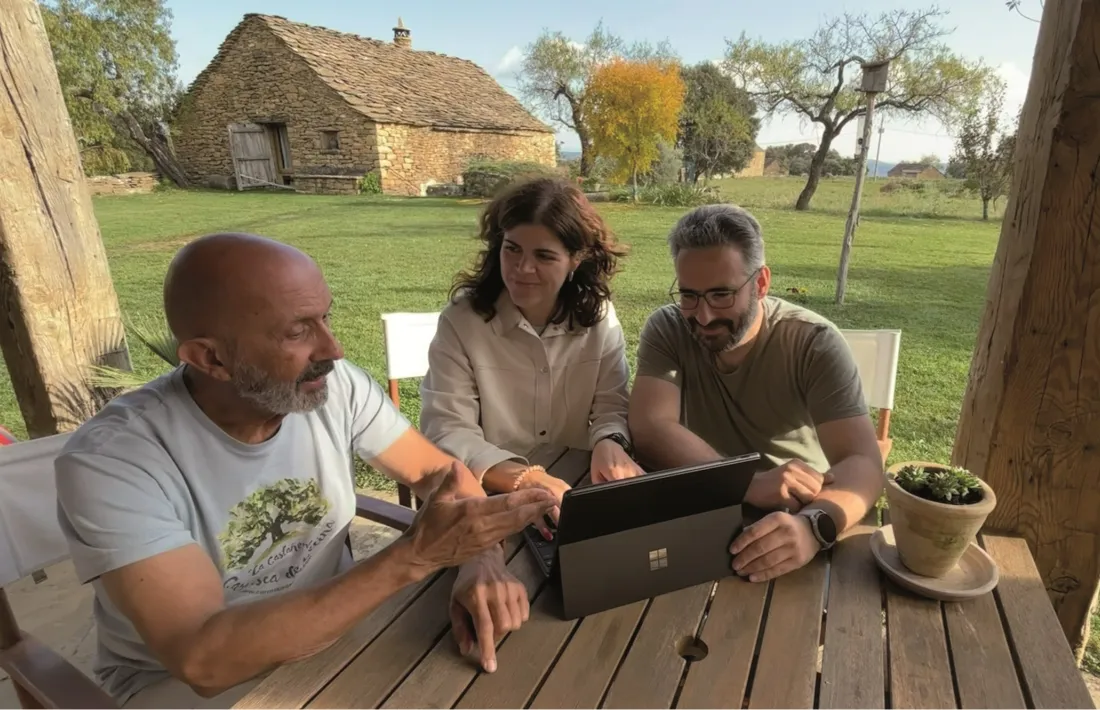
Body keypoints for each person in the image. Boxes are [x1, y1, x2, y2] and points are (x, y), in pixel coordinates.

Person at [54, 233, 556, 708]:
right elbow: (203, 660)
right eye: (298, 331)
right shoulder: (116, 461)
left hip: (340, 633)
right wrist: (416, 557)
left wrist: (480, 560)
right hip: (186, 687)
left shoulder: (333, 390)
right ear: (211, 358)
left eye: (325, 318)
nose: (333, 349)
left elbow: (440, 475)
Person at [628, 204, 884, 584]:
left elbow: (862, 461)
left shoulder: (813, 343)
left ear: (761, 283)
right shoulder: (668, 328)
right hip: (701, 514)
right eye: (689, 296)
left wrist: (815, 528)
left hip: (789, 520)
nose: (702, 316)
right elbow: (650, 427)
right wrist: (746, 483)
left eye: (721, 295)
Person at [419, 177, 643, 517]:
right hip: (484, 496)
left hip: (575, 494)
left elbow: (611, 404)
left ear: (576, 259)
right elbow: (447, 428)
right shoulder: (462, 322)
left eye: (544, 255)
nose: (523, 269)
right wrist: (523, 478)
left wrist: (609, 441)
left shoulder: (599, 318)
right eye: (512, 249)